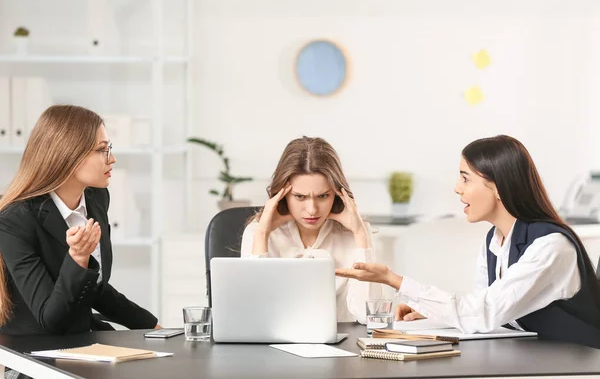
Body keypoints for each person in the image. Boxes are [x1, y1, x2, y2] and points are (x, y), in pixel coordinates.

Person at [336, 135, 600, 348]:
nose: (456, 188)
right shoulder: (495, 240)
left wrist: (394, 280)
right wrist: (435, 312)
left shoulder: (550, 247)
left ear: (497, 186)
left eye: (465, 178)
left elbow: (484, 313)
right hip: (537, 358)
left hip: (578, 363)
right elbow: (482, 305)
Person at [0, 105, 161, 337]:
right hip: (37, 353)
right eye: (102, 150)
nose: (112, 159)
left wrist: (154, 327)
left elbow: (94, 289)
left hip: (84, 337)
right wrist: (77, 259)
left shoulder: (96, 198)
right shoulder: (14, 220)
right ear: (68, 154)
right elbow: (51, 319)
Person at [240, 136, 383, 323]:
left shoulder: (358, 233)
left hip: (342, 347)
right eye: (299, 197)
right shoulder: (258, 232)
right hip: (274, 348)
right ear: (282, 195)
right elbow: (253, 315)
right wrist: (262, 235)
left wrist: (360, 236)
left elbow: (370, 317)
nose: (312, 209)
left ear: (338, 194)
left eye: (323, 196)